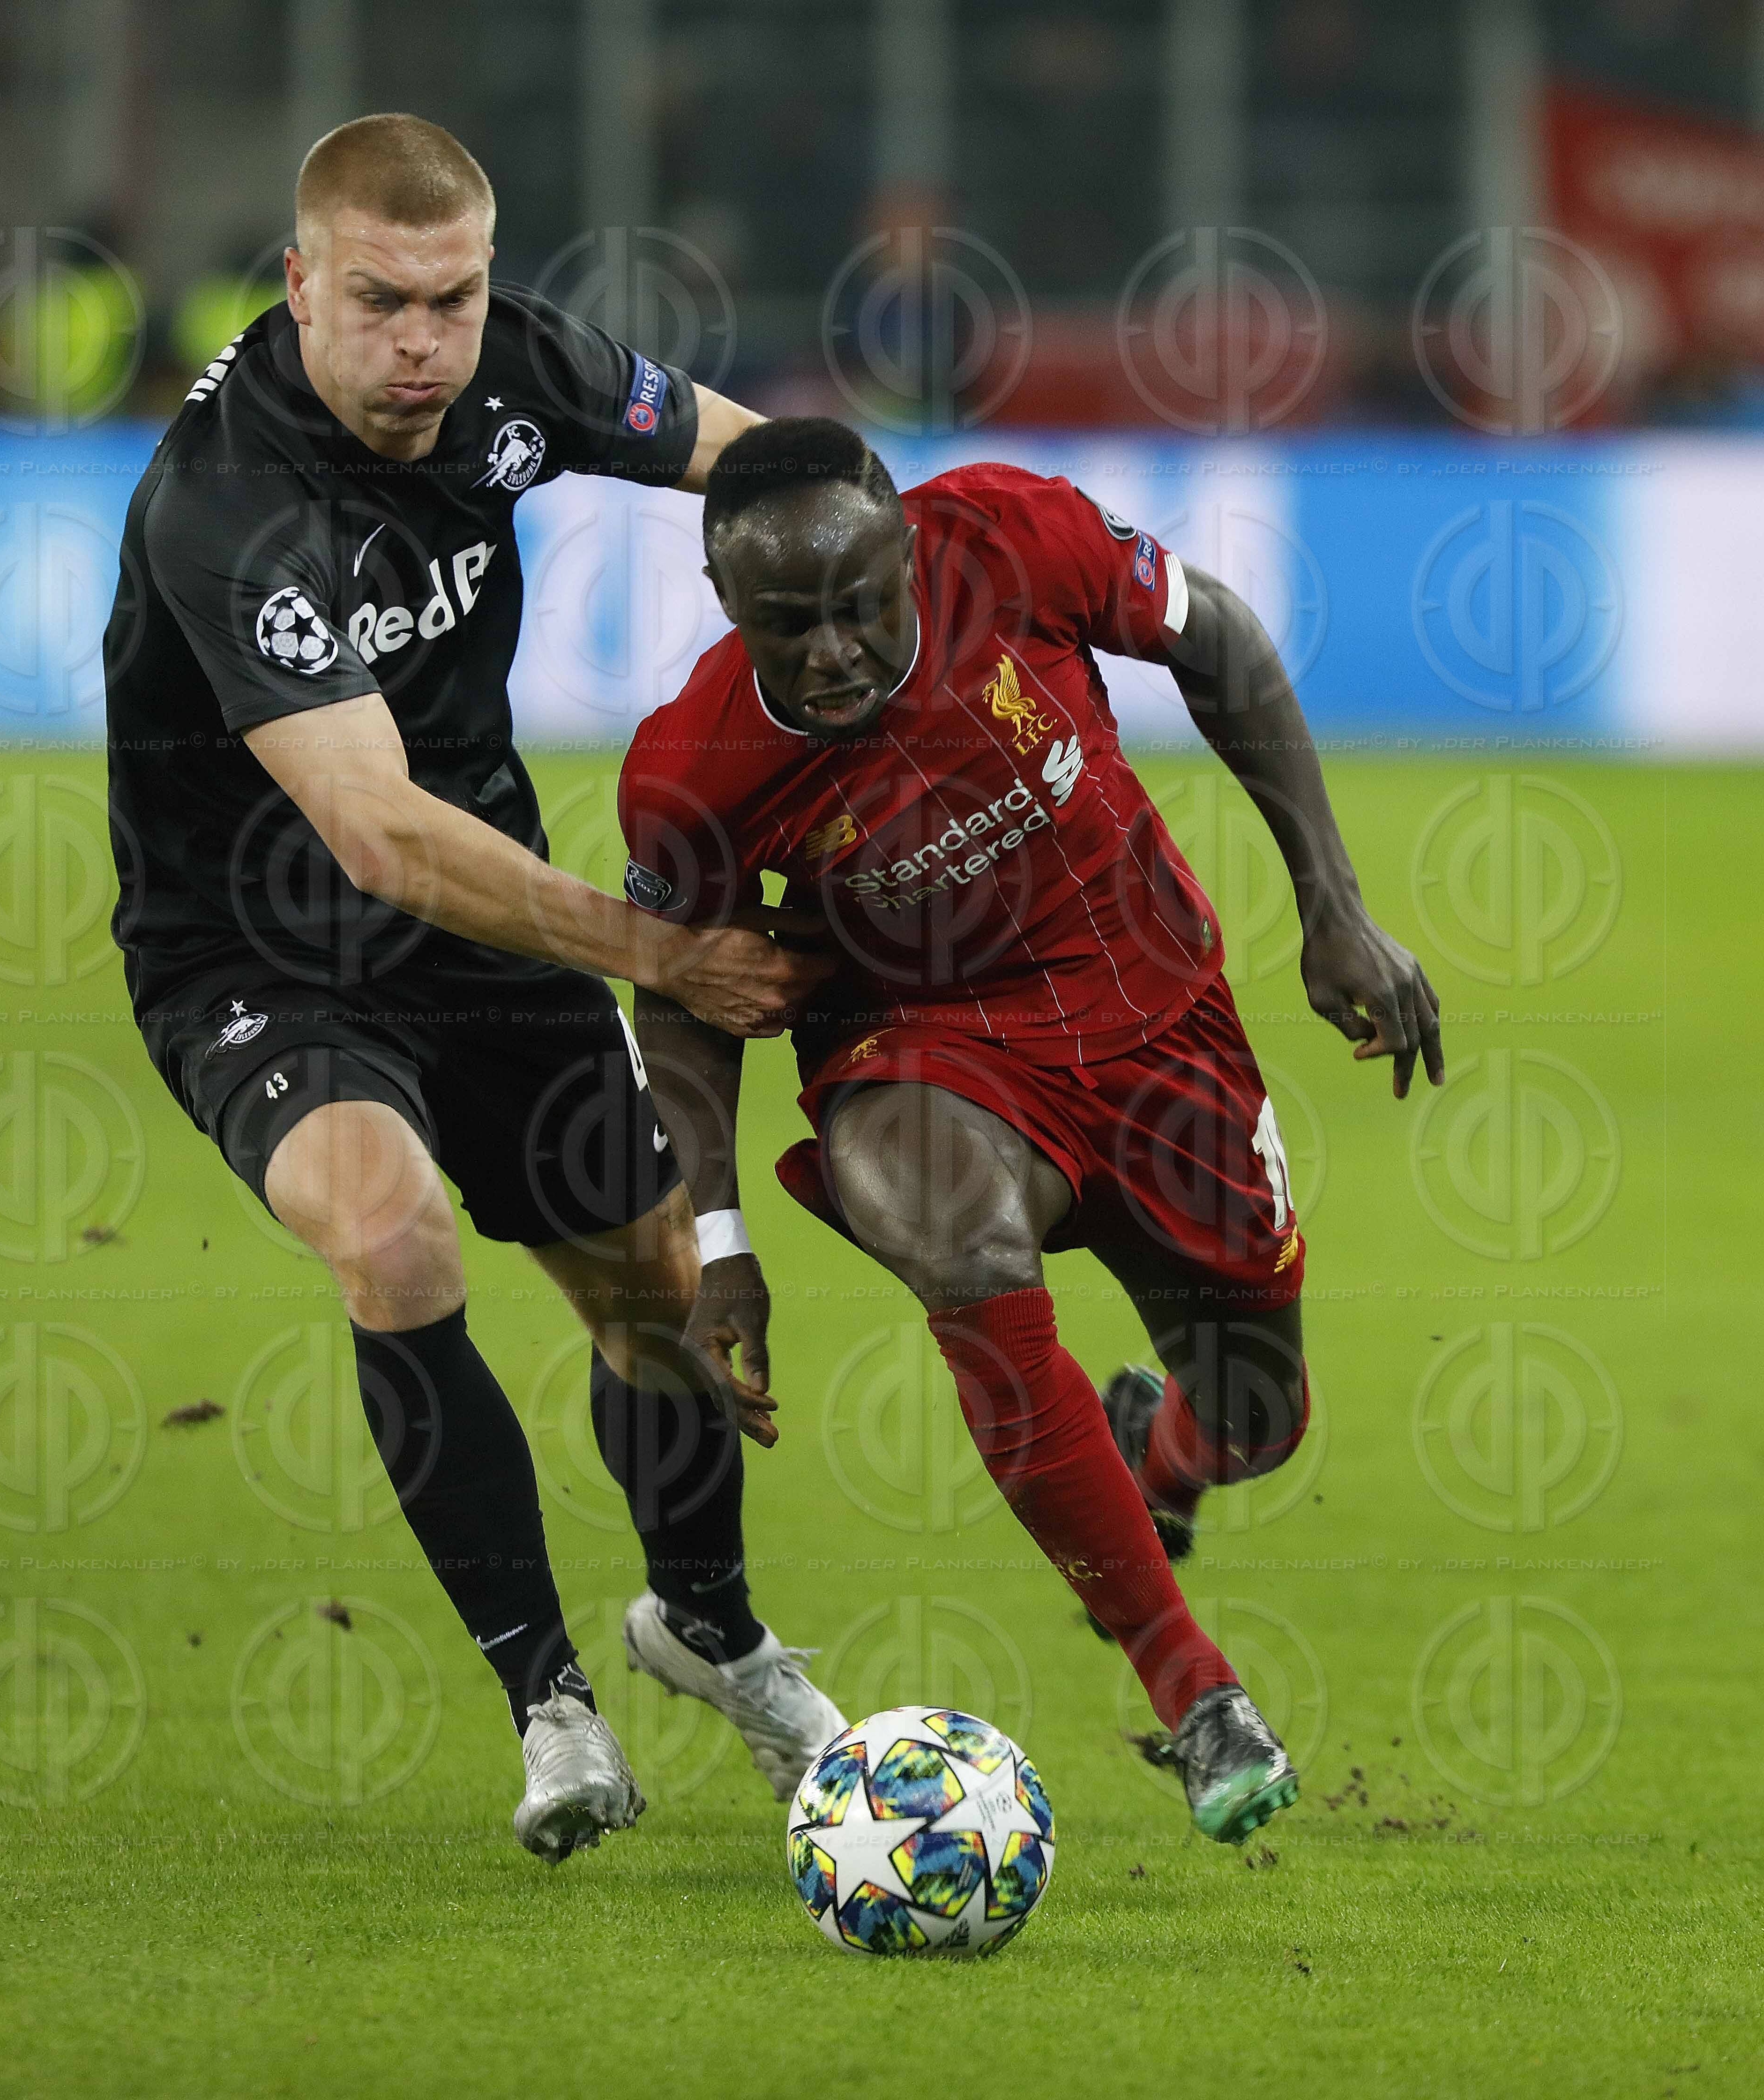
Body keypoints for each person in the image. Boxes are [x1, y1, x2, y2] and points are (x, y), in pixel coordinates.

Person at [101, 116, 844, 1864]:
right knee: (393, 1229)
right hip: (260, 951)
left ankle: (710, 1630)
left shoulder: (517, 366)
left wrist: (869, 561)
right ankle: (553, 1706)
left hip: (486, 922)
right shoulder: (230, 501)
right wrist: (663, 953)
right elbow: (374, 833)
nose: (424, 344)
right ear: (299, 287)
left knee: (653, 1296)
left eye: (453, 297)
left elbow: (756, 464)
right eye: (381, 303)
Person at [618, 418, 1444, 1844]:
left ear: (910, 555)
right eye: (786, 624)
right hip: (921, 1051)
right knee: (965, 1245)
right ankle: (1198, 1700)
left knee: (1261, 1420)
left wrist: (1332, 902)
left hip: (1155, 1014)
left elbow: (1220, 638)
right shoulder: (695, 769)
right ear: (721, 602)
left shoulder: (1010, 533)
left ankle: (1162, 1450)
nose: (831, 653)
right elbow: (679, 988)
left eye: (862, 607)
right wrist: (720, 1241)